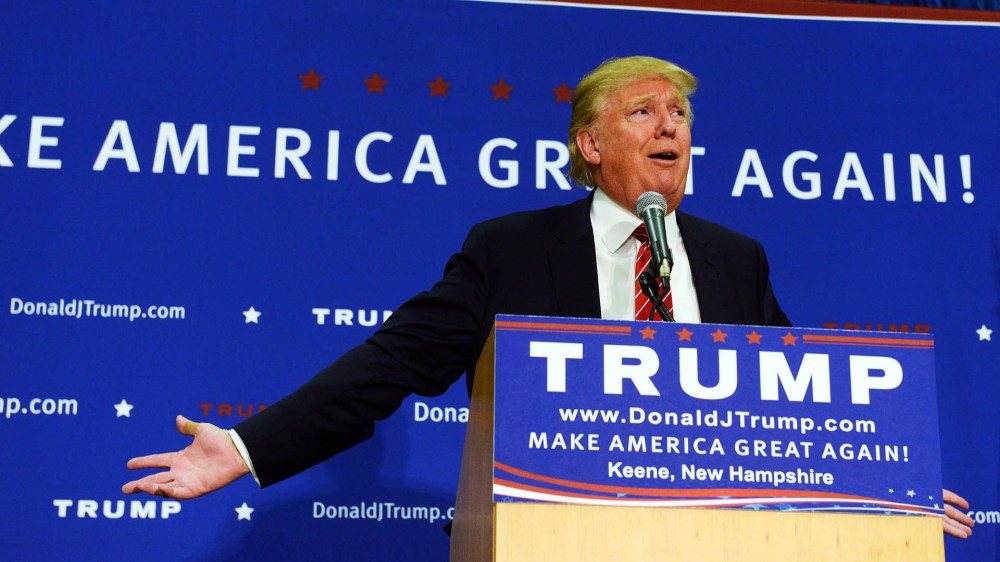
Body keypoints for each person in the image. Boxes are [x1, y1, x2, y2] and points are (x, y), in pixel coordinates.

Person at [123, 56, 974, 539]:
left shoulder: (732, 259)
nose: (671, 125)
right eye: (643, 112)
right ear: (589, 144)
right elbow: (392, 365)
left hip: (709, 543)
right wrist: (244, 448)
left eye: (679, 113)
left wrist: (879, 492)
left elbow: (792, 408)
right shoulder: (513, 249)